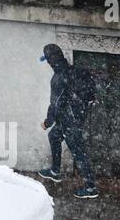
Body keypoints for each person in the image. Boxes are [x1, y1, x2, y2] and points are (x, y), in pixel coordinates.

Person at [38, 44, 98, 199]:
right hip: (74, 117)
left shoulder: (58, 78)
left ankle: (91, 187)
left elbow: (55, 104)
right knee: (54, 136)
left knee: (79, 153)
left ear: (51, 61)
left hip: (69, 121)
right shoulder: (73, 71)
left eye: (48, 61)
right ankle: (55, 171)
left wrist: (48, 121)